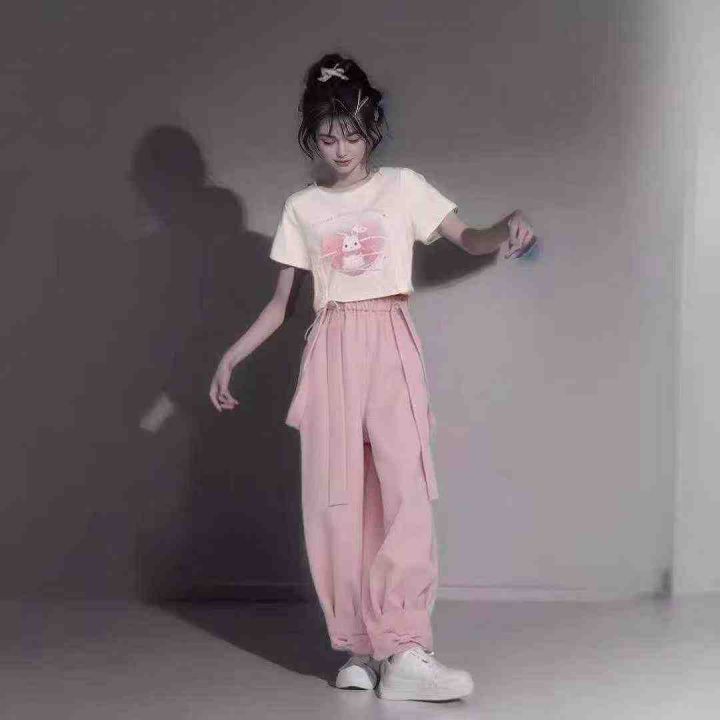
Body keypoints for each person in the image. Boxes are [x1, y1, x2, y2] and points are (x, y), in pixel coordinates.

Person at [209, 52, 535, 702]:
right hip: (330, 347)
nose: (340, 150)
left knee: (404, 491)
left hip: (388, 339)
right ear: (312, 136)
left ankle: (405, 647)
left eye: (352, 135)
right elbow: (280, 306)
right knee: (338, 501)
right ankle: (359, 645)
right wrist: (229, 356)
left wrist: (506, 226)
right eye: (328, 137)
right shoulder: (302, 207)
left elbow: (467, 237)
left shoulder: (404, 188)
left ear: (371, 130)